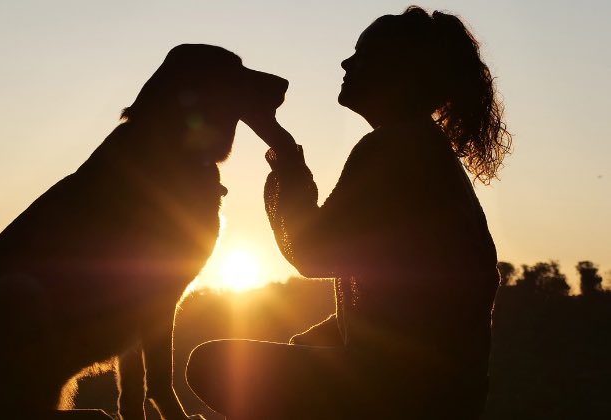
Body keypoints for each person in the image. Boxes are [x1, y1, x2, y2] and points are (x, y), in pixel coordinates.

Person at [186, 6, 511, 420]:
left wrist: (283, 151)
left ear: (398, 71)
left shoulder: (394, 148)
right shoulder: (422, 149)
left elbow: (310, 252)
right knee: (295, 350)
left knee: (211, 364)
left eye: (363, 53)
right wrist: (310, 343)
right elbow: (401, 304)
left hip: (402, 395)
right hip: (445, 396)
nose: (346, 62)